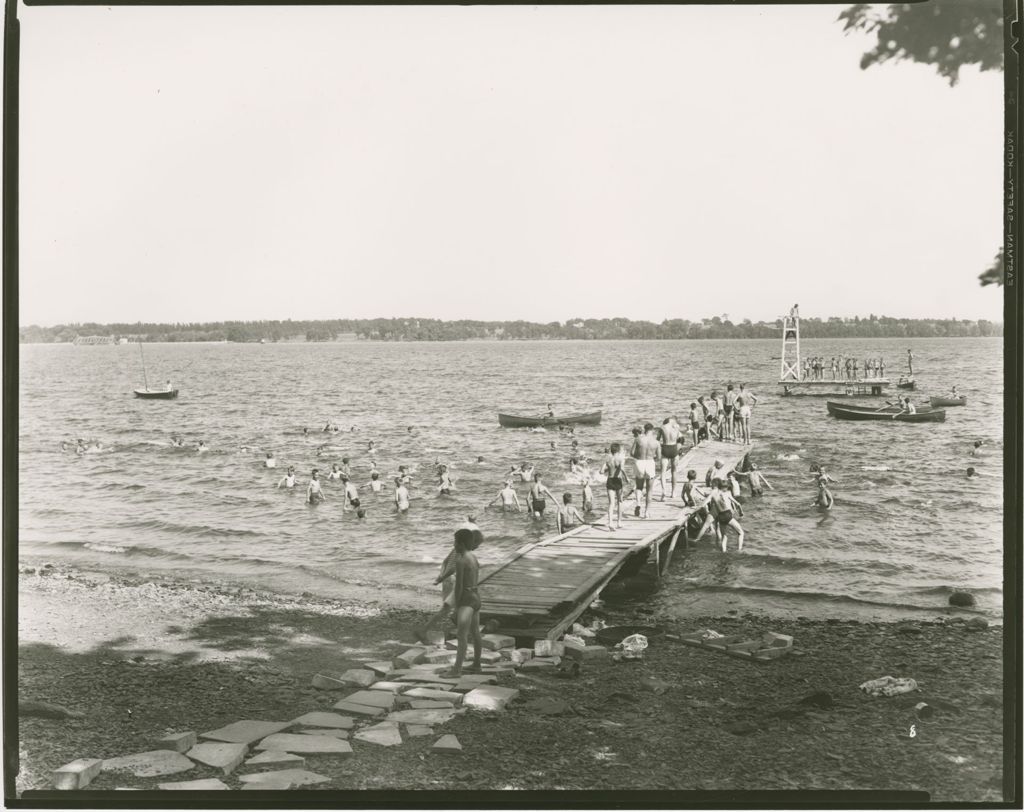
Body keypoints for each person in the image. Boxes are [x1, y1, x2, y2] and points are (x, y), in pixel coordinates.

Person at [441, 527, 484, 677]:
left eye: (455, 542)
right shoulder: (473, 557)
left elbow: (458, 587)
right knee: (475, 633)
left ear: (462, 544)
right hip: (476, 596)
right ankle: (477, 665)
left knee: (462, 635)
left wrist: (456, 607)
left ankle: (456, 670)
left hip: (466, 599)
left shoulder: (460, 560)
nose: (454, 545)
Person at [630, 424, 660, 518]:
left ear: (644, 430)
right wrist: (652, 459)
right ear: (653, 430)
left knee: (639, 486)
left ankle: (638, 504)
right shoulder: (656, 442)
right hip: (650, 462)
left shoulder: (638, 439)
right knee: (649, 490)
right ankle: (647, 512)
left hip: (640, 463)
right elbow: (659, 457)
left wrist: (638, 457)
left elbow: (631, 453)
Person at [709, 479, 744, 552]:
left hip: (720, 516)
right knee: (741, 533)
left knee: (724, 537)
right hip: (727, 515)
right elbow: (738, 504)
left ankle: (723, 552)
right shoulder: (728, 493)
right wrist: (741, 512)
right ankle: (739, 550)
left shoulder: (715, 495)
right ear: (726, 487)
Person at [601, 442, 628, 531]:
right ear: (619, 450)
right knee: (620, 501)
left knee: (611, 503)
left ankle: (611, 523)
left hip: (610, 480)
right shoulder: (620, 459)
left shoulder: (608, 460)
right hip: (617, 480)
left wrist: (608, 469)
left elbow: (601, 471)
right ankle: (619, 522)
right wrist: (626, 478)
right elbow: (622, 469)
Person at [658, 417, 683, 501]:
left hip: (665, 447)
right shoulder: (677, 426)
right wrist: (679, 447)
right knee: (674, 471)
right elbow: (681, 438)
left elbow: (657, 440)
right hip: (674, 448)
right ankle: (673, 492)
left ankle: (664, 492)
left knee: (663, 473)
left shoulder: (662, 427)